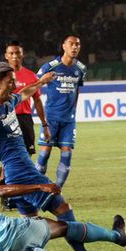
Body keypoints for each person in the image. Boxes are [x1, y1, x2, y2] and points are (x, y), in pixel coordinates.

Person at [0, 62, 119, 251]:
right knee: (63, 209)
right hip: (23, 173)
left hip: (17, 173)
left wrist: (41, 82)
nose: (14, 85)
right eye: (10, 82)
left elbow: (25, 93)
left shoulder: (6, 102)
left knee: (32, 222)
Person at [0, 40, 50, 209]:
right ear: (6, 56)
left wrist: (44, 124)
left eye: (17, 53)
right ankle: (5, 197)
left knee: (25, 158)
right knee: (8, 159)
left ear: (22, 55)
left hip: (25, 120)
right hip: (8, 119)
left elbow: (38, 101)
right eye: (11, 53)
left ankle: (20, 194)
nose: (15, 56)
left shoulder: (30, 76)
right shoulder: (1, 77)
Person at [34, 34, 86, 188]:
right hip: (51, 118)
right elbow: (36, 84)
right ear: (64, 46)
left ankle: (57, 190)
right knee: (44, 155)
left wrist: (73, 111)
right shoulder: (50, 66)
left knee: (67, 153)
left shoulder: (81, 69)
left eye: (77, 44)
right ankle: (37, 188)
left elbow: (77, 90)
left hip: (69, 120)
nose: (75, 47)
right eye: (71, 44)